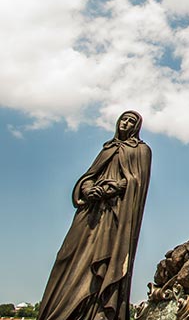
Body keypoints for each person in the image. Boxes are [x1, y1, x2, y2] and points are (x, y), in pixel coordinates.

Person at [38, 111, 152, 320]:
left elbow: (137, 182)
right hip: (90, 211)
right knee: (66, 256)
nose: (125, 123)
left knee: (103, 260)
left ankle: (94, 311)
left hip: (114, 213)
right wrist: (88, 188)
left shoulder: (142, 150)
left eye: (131, 121)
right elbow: (90, 175)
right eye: (123, 119)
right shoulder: (107, 149)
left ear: (137, 127)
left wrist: (112, 188)